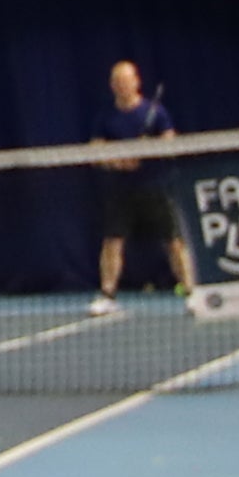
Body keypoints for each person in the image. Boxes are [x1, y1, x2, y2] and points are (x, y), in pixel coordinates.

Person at [88, 59, 189, 315]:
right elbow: (95, 151)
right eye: (117, 81)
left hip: (156, 187)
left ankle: (191, 290)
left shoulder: (155, 112)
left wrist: (147, 151)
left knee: (174, 241)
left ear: (136, 82)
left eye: (126, 80)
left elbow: (170, 143)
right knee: (112, 242)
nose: (122, 85)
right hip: (121, 190)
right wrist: (119, 162)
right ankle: (107, 295)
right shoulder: (106, 117)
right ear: (112, 85)